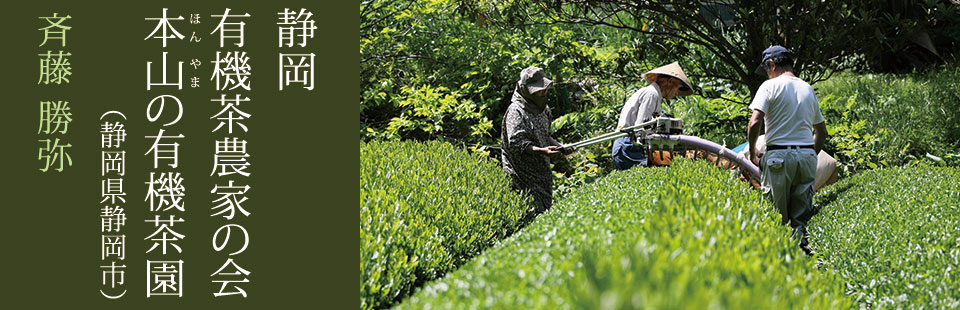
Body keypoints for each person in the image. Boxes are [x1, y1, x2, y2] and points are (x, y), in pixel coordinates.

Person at [747, 45, 828, 253]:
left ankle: (780, 266)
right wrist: (810, 154)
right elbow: (821, 131)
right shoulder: (808, 88)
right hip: (807, 156)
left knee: (776, 218)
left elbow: (755, 122)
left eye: (767, 69)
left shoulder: (769, 86)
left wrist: (753, 149)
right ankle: (804, 262)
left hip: (778, 157)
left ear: (772, 64)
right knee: (801, 221)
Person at [501, 66, 574, 214]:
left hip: (542, 171)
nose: (542, 93)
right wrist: (542, 150)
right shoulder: (516, 111)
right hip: (521, 175)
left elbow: (545, 135)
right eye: (538, 90)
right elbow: (517, 143)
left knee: (545, 214)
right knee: (530, 213)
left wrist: (560, 146)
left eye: (544, 89)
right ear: (525, 89)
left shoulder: (543, 108)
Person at [612, 62, 693, 170]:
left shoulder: (653, 94)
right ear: (671, 81)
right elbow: (640, 128)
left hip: (626, 144)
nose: (676, 93)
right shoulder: (652, 94)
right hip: (628, 145)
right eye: (677, 88)